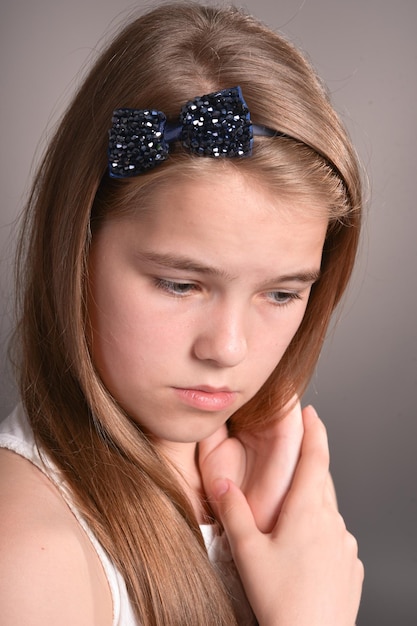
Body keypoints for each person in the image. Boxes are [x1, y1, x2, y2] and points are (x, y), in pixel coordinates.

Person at [0, 2, 364, 625]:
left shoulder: (266, 490)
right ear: (77, 248)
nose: (227, 348)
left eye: (281, 294)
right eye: (179, 284)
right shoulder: (29, 560)